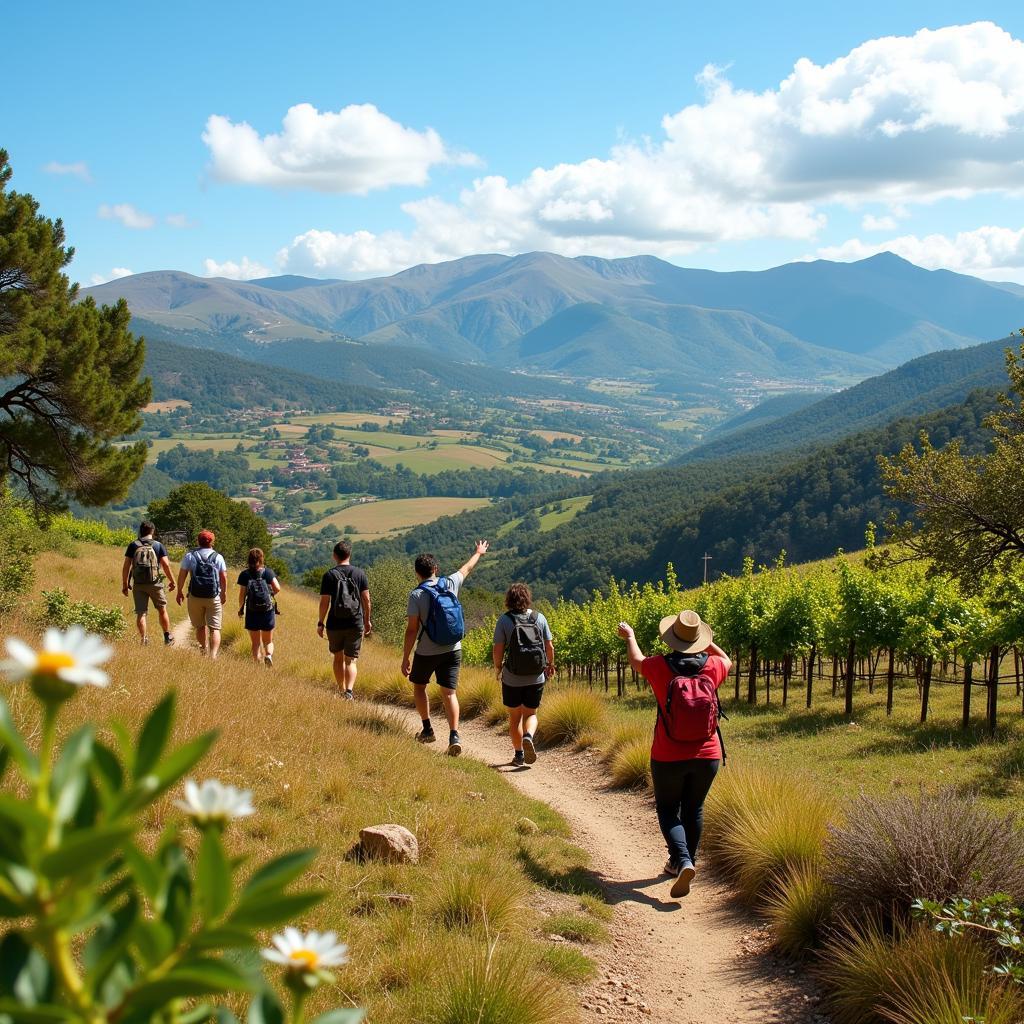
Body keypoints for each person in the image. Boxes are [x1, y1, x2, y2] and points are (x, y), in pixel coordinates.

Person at [617, 610, 732, 899]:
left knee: (668, 809)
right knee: (694, 809)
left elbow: (636, 661)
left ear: (672, 639)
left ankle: (681, 861)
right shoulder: (714, 667)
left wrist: (630, 636)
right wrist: (706, 642)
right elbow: (728, 659)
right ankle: (682, 862)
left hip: (668, 754)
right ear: (698, 640)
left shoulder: (659, 666)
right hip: (708, 754)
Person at [402, 540, 489, 756]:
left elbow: (412, 630)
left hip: (427, 651)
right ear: (435, 569)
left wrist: (405, 657)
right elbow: (467, 568)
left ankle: (427, 729)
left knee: (420, 687)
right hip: (453, 648)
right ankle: (454, 735)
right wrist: (478, 552)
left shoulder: (416, 596)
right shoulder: (450, 583)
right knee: (449, 693)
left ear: (417, 573)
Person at [492, 582, 554, 767]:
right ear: (527, 598)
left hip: (512, 677)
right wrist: (550, 664)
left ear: (509, 600)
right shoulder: (539, 618)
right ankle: (529, 735)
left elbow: (498, 650)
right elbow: (549, 646)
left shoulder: (504, 621)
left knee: (515, 717)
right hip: (536, 676)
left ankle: (519, 754)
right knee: (531, 713)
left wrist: (498, 668)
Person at [317, 540, 371, 699]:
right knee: (351, 660)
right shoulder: (359, 573)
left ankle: (341, 689)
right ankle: (349, 691)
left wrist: (321, 622)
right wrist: (367, 620)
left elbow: (324, 602)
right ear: (349, 555)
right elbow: (366, 600)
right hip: (355, 622)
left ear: (334, 556)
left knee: (338, 657)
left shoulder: (329, 575)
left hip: (334, 623)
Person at [122, 521, 176, 646]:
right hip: (155, 583)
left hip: (139, 584)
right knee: (162, 609)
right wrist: (172, 581)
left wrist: (125, 584)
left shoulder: (133, 545)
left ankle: (144, 639)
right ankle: (167, 636)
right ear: (153, 531)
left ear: (141, 531)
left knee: (141, 612)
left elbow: (126, 566)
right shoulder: (158, 546)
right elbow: (166, 565)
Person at [176, 530, 228, 659]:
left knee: (200, 626)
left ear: (198, 541)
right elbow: (223, 577)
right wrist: (224, 593)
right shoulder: (218, 557)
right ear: (212, 542)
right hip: (213, 596)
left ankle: (203, 649)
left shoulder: (190, 556)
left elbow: (182, 574)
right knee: (215, 628)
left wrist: (179, 591)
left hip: (195, 596)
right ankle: (213, 655)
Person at [237, 547, 282, 666]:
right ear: (261, 558)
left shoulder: (244, 575)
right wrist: (269, 594)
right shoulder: (268, 572)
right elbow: (277, 588)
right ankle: (268, 655)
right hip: (267, 610)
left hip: (252, 611)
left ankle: (257, 665)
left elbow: (242, 595)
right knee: (268, 641)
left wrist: (241, 609)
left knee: (255, 643)